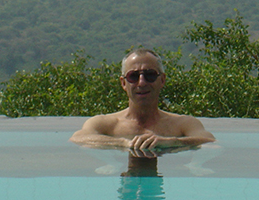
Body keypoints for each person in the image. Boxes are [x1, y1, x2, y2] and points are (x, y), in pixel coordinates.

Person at [70, 48, 215, 151]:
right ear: (123, 83)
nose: (142, 82)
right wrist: (123, 143)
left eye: (150, 75)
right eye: (133, 76)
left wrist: (172, 142)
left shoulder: (182, 124)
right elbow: (78, 138)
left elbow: (211, 142)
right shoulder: (107, 124)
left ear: (162, 80)